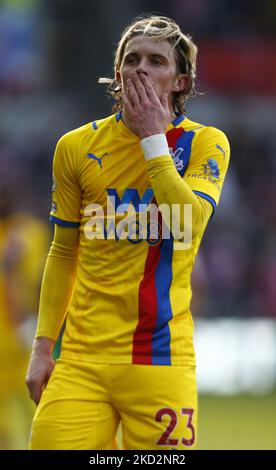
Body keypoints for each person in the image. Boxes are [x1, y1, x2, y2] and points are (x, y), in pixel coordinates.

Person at [26, 15, 230, 450]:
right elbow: (64, 253)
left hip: (160, 357)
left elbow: (187, 225)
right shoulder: (77, 147)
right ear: (116, 74)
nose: (140, 68)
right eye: (131, 59)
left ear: (181, 81)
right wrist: (43, 347)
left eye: (156, 61)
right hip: (80, 357)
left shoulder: (205, 144)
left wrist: (153, 138)